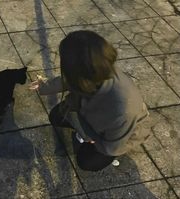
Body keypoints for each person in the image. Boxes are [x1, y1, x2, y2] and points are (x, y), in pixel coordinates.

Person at [29, 30, 150, 172]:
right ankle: (82, 134)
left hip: (117, 137)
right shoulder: (96, 68)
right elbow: (72, 79)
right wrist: (45, 86)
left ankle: (87, 143)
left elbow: (112, 147)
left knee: (87, 161)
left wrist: (93, 138)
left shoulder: (123, 108)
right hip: (89, 114)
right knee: (56, 116)